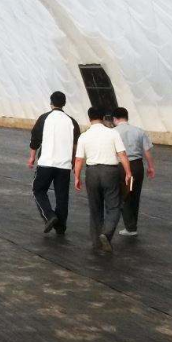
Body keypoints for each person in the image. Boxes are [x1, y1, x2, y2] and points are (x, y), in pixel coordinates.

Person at [74, 106, 134, 252]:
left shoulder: (84, 136)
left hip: (92, 172)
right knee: (113, 206)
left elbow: (79, 159)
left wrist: (77, 177)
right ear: (103, 117)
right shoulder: (112, 133)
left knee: (95, 209)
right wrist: (128, 173)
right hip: (110, 172)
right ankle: (106, 234)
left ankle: (96, 243)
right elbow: (122, 154)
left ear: (89, 118)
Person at [28, 91, 81, 235]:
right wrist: (74, 163)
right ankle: (61, 227)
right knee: (62, 196)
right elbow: (75, 145)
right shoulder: (72, 121)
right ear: (64, 103)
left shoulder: (44, 118)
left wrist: (32, 157)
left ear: (51, 103)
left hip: (46, 162)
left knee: (38, 190)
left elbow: (35, 139)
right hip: (64, 165)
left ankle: (49, 215)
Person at [112, 107, 155, 236]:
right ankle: (133, 225)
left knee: (124, 195)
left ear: (115, 119)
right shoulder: (139, 131)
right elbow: (147, 151)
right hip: (137, 165)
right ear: (127, 117)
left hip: (121, 166)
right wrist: (151, 167)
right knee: (135, 195)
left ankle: (130, 227)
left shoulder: (113, 132)